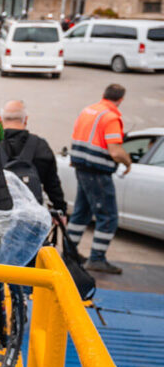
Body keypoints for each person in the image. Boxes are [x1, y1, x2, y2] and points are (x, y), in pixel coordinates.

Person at [67, 84, 131, 274]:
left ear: (104, 95)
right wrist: (128, 163)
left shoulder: (89, 110)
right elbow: (115, 151)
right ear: (121, 100)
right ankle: (97, 259)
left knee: (81, 213)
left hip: (81, 166)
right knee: (108, 217)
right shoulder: (111, 117)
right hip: (97, 171)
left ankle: (69, 254)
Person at [0, 100, 67, 211]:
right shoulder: (40, 146)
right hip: (31, 218)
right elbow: (53, 186)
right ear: (25, 120)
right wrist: (60, 210)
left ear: (0, 119)